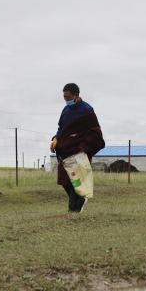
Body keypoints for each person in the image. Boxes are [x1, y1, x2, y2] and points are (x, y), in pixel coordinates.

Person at [50, 83, 105, 212]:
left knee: (76, 180)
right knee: (65, 180)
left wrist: (83, 147)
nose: (66, 99)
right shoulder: (65, 110)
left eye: (68, 97)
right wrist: (56, 138)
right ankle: (80, 200)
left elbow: (95, 131)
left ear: (76, 95)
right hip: (65, 150)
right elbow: (61, 128)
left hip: (79, 150)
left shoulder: (87, 110)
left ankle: (73, 209)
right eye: (64, 97)